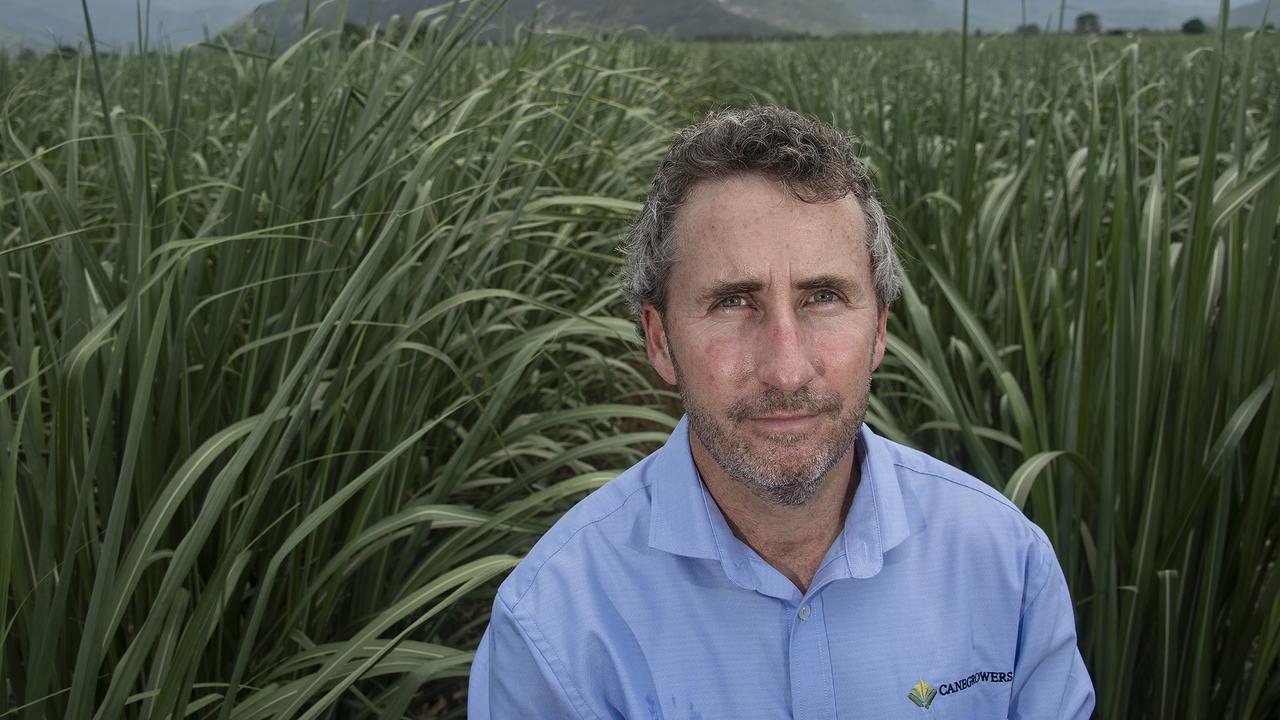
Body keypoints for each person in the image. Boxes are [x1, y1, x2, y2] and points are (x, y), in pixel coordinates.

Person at [467, 106, 1095, 718]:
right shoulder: (553, 627)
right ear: (658, 340)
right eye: (734, 302)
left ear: (878, 330)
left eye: (824, 296)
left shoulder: (1007, 567)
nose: (788, 370)